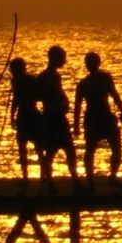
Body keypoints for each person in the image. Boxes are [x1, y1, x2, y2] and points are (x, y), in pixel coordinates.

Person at [74, 50, 122, 181]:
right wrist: (76, 126)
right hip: (97, 118)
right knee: (94, 150)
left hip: (101, 117)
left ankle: (105, 177)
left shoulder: (93, 81)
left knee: (109, 149)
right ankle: (98, 178)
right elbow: (78, 106)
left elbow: (114, 95)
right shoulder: (87, 83)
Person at [34, 45, 79, 184]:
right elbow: (40, 95)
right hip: (54, 117)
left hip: (55, 116)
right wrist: (57, 102)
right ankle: (54, 181)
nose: (64, 62)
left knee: (61, 151)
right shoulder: (47, 76)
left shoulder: (52, 76)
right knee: (61, 151)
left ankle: (57, 181)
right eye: (62, 58)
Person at [7, 57, 41, 179]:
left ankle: (38, 176)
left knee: (34, 146)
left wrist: (12, 115)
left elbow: (18, 98)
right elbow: (16, 99)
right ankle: (27, 176)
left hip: (29, 114)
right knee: (24, 146)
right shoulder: (17, 81)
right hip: (25, 114)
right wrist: (12, 115)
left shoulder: (27, 80)